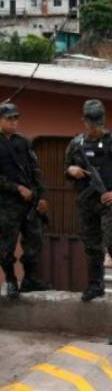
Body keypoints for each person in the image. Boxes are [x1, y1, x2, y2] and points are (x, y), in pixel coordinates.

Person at [64, 99, 112, 305]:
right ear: (84, 121)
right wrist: (71, 170)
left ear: (103, 120)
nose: (94, 126)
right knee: (92, 246)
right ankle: (96, 284)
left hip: (108, 203)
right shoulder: (76, 144)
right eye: (91, 122)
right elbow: (66, 167)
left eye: (98, 122)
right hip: (86, 203)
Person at [0, 103, 50, 298]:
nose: (14, 122)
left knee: (35, 242)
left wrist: (42, 196)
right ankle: (11, 280)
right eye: (9, 119)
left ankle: (29, 279)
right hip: (6, 205)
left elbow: (35, 170)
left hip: (30, 202)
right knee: (6, 246)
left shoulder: (23, 142)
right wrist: (17, 188)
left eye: (16, 118)